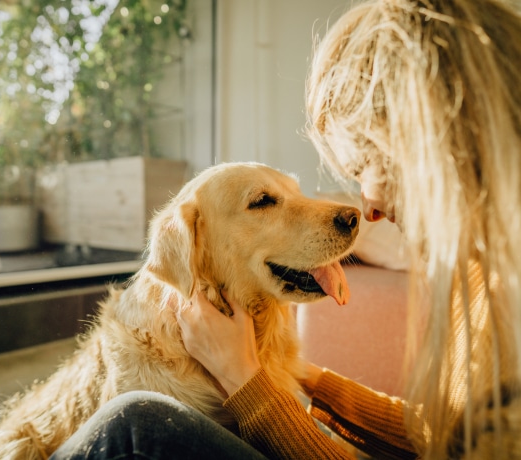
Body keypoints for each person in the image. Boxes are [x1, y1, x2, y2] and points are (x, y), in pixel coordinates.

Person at [51, 0, 521, 458]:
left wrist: (244, 381)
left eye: (366, 165)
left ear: (434, 139)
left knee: (135, 423)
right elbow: (444, 436)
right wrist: (299, 377)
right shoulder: (493, 273)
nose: (368, 208)